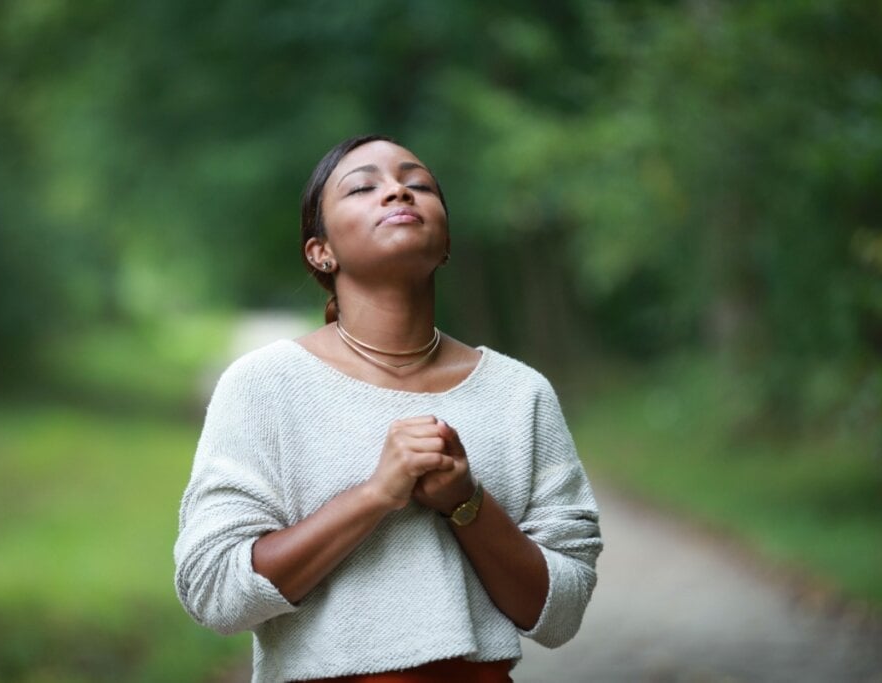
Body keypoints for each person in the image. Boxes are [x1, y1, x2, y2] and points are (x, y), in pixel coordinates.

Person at [173, 135, 603, 683]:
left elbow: (560, 614)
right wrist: (376, 495)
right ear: (320, 252)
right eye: (363, 186)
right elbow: (215, 592)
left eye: (418, 184)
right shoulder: (264, 386)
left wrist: (466, 502)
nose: (398, 190)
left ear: (445, 241)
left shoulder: (520, 394)